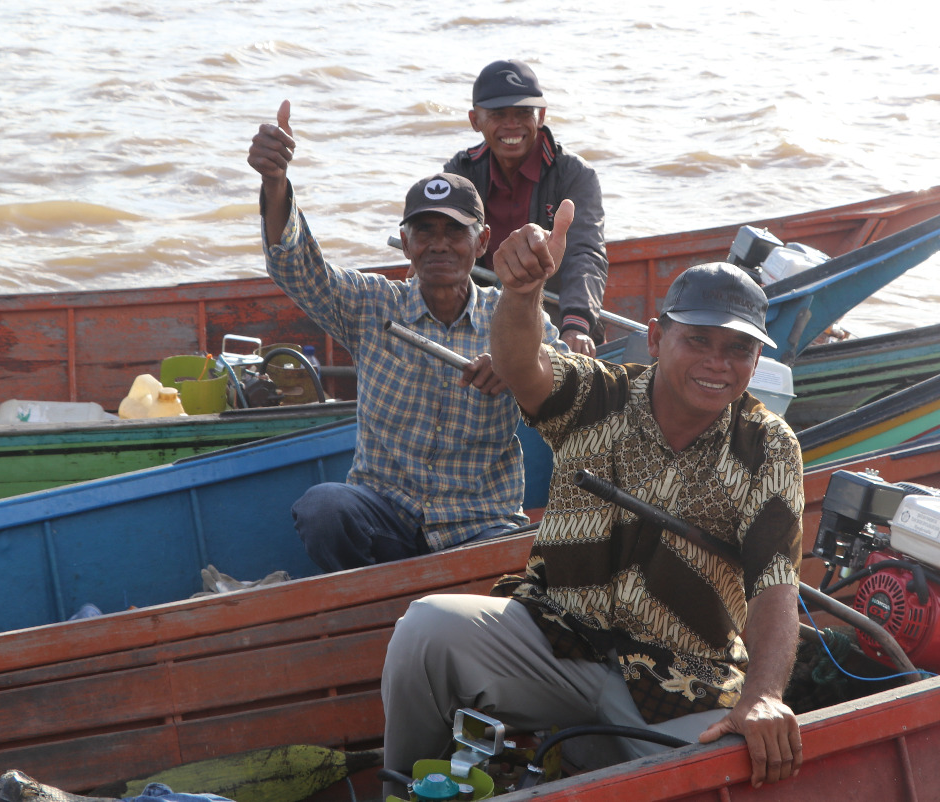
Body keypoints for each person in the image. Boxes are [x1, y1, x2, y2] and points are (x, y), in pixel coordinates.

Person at [379, 200, 805, 792]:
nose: (717, 363)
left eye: (738, 349)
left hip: (681, 680)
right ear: (655, 338)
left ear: (757, 359)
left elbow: (775, 583)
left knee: (741, 771)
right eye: (698, 340)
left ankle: (595, 758)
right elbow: (520, 364)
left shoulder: (770, 446)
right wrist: (523, 292)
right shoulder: (596, 392)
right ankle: (404, 790)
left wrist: (763, 696)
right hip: (556, 640)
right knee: (425, 629)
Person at [246, 100, 566, 573]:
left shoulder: (512, 316)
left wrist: (519, 365)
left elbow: (572, 378)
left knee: (534, 561)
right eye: (425, 231)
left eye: (454, 232)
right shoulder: (372, 303)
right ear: (406, 241)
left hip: (480, 524)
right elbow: (296, 267)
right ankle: (368, 597)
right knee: (324, 508)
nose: (439, 244)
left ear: (481, 242)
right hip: (385, 518)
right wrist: (275, 181)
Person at [444, 58, 608, 357]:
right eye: (498, 114)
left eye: (523, 113)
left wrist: (577, 324)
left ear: (541, 116)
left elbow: (585, 253)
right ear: (475, 120)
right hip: (481, 316)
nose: (512, 124)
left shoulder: (575, 174)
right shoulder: (460, 172)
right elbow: (444, 246)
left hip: (554, 315)